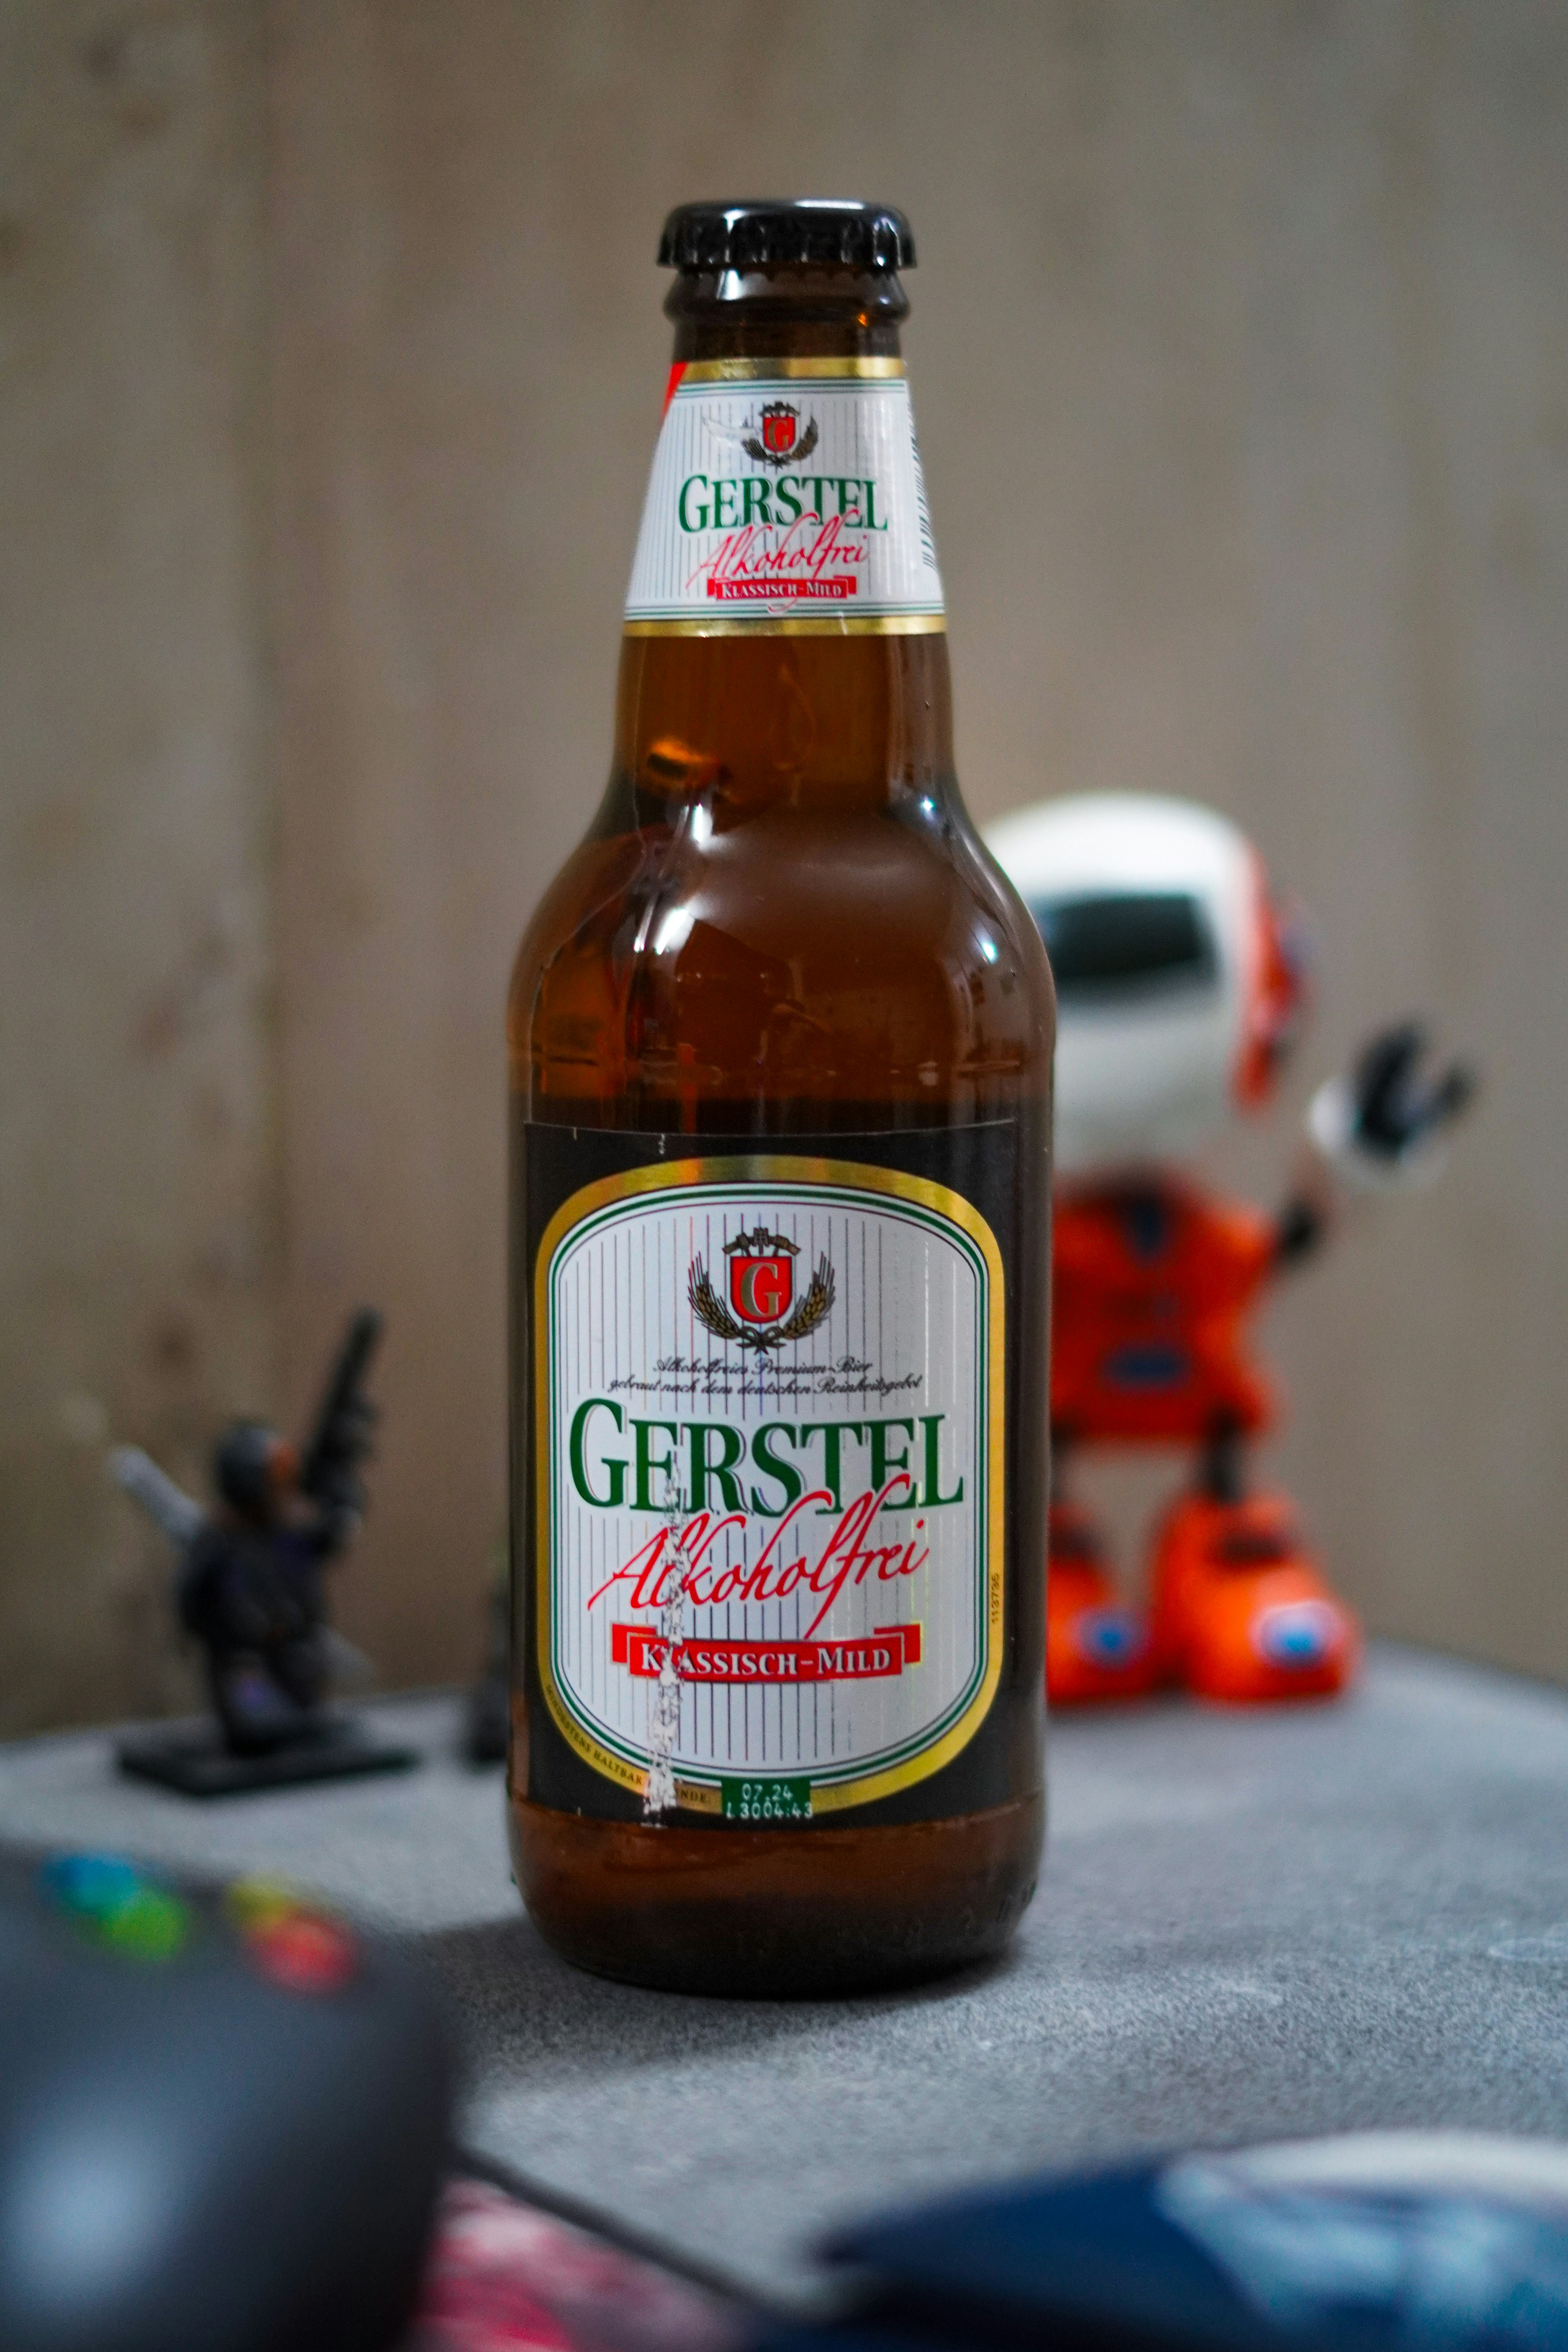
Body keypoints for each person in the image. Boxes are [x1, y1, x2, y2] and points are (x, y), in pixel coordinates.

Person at [986, 793, 1474, 1704]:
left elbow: (1278, 1243)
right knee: (1038, 1508)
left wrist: (1356, 1157)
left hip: (1196, 1406)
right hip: (1066, 1409)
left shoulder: (1195, 1238)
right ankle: (1050, 1576)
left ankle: (1221, 1561)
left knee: (1223, 1497)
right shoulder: (1045, 1240)